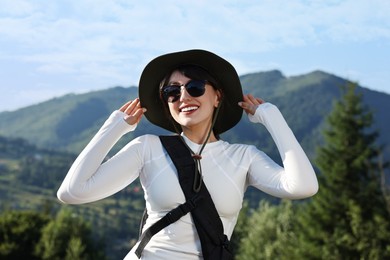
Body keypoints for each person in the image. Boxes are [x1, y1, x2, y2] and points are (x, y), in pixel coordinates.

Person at [57, 49, 318, 259]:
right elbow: (72, 192)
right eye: (172, 91)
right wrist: (115, 127)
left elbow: (302, 187)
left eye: (194, 87)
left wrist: (271, 117)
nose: (182, 96)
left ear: (217, 96)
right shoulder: (147, 148)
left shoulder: (243, 157)